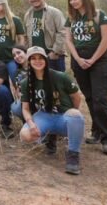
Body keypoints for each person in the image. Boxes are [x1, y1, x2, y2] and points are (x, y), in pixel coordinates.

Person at [65, 0, 107, 155]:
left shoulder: (99, 15)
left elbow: (106, 40)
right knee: (89, 97)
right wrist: (78, 59)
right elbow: (69, 40)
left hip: (100, 61)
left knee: (101, 98)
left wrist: (93, 59)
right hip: (79, 61)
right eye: (70, 0)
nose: (73, 2)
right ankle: (96, 132)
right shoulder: (71, 18)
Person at [18, 46, 84, 175]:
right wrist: (31, 125)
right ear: (29, 61)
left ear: (46, 60)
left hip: (63, 115)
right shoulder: (26, 82)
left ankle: (73, 154)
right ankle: (49, 136)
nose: (37, 61)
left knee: (76, 115)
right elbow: (25, 109)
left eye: (41, 58)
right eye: (33, 59)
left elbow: (76, 97)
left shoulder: (60, 76)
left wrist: (71, 115)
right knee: (25, 135)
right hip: (44, 115)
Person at [24, 0, 67, 71]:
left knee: (57, 83)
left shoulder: (55, 12)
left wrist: (55, 52)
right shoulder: (28, 14)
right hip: (36, 56)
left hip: (52, 55)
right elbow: (26, 36)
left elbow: (62, 32)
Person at [0, 0, 26, 86]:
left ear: (4, 5)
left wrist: (20, 53)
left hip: (10, 58)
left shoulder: (15, 20)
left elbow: (21, 38)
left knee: (15, 79)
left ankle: (19, 98)